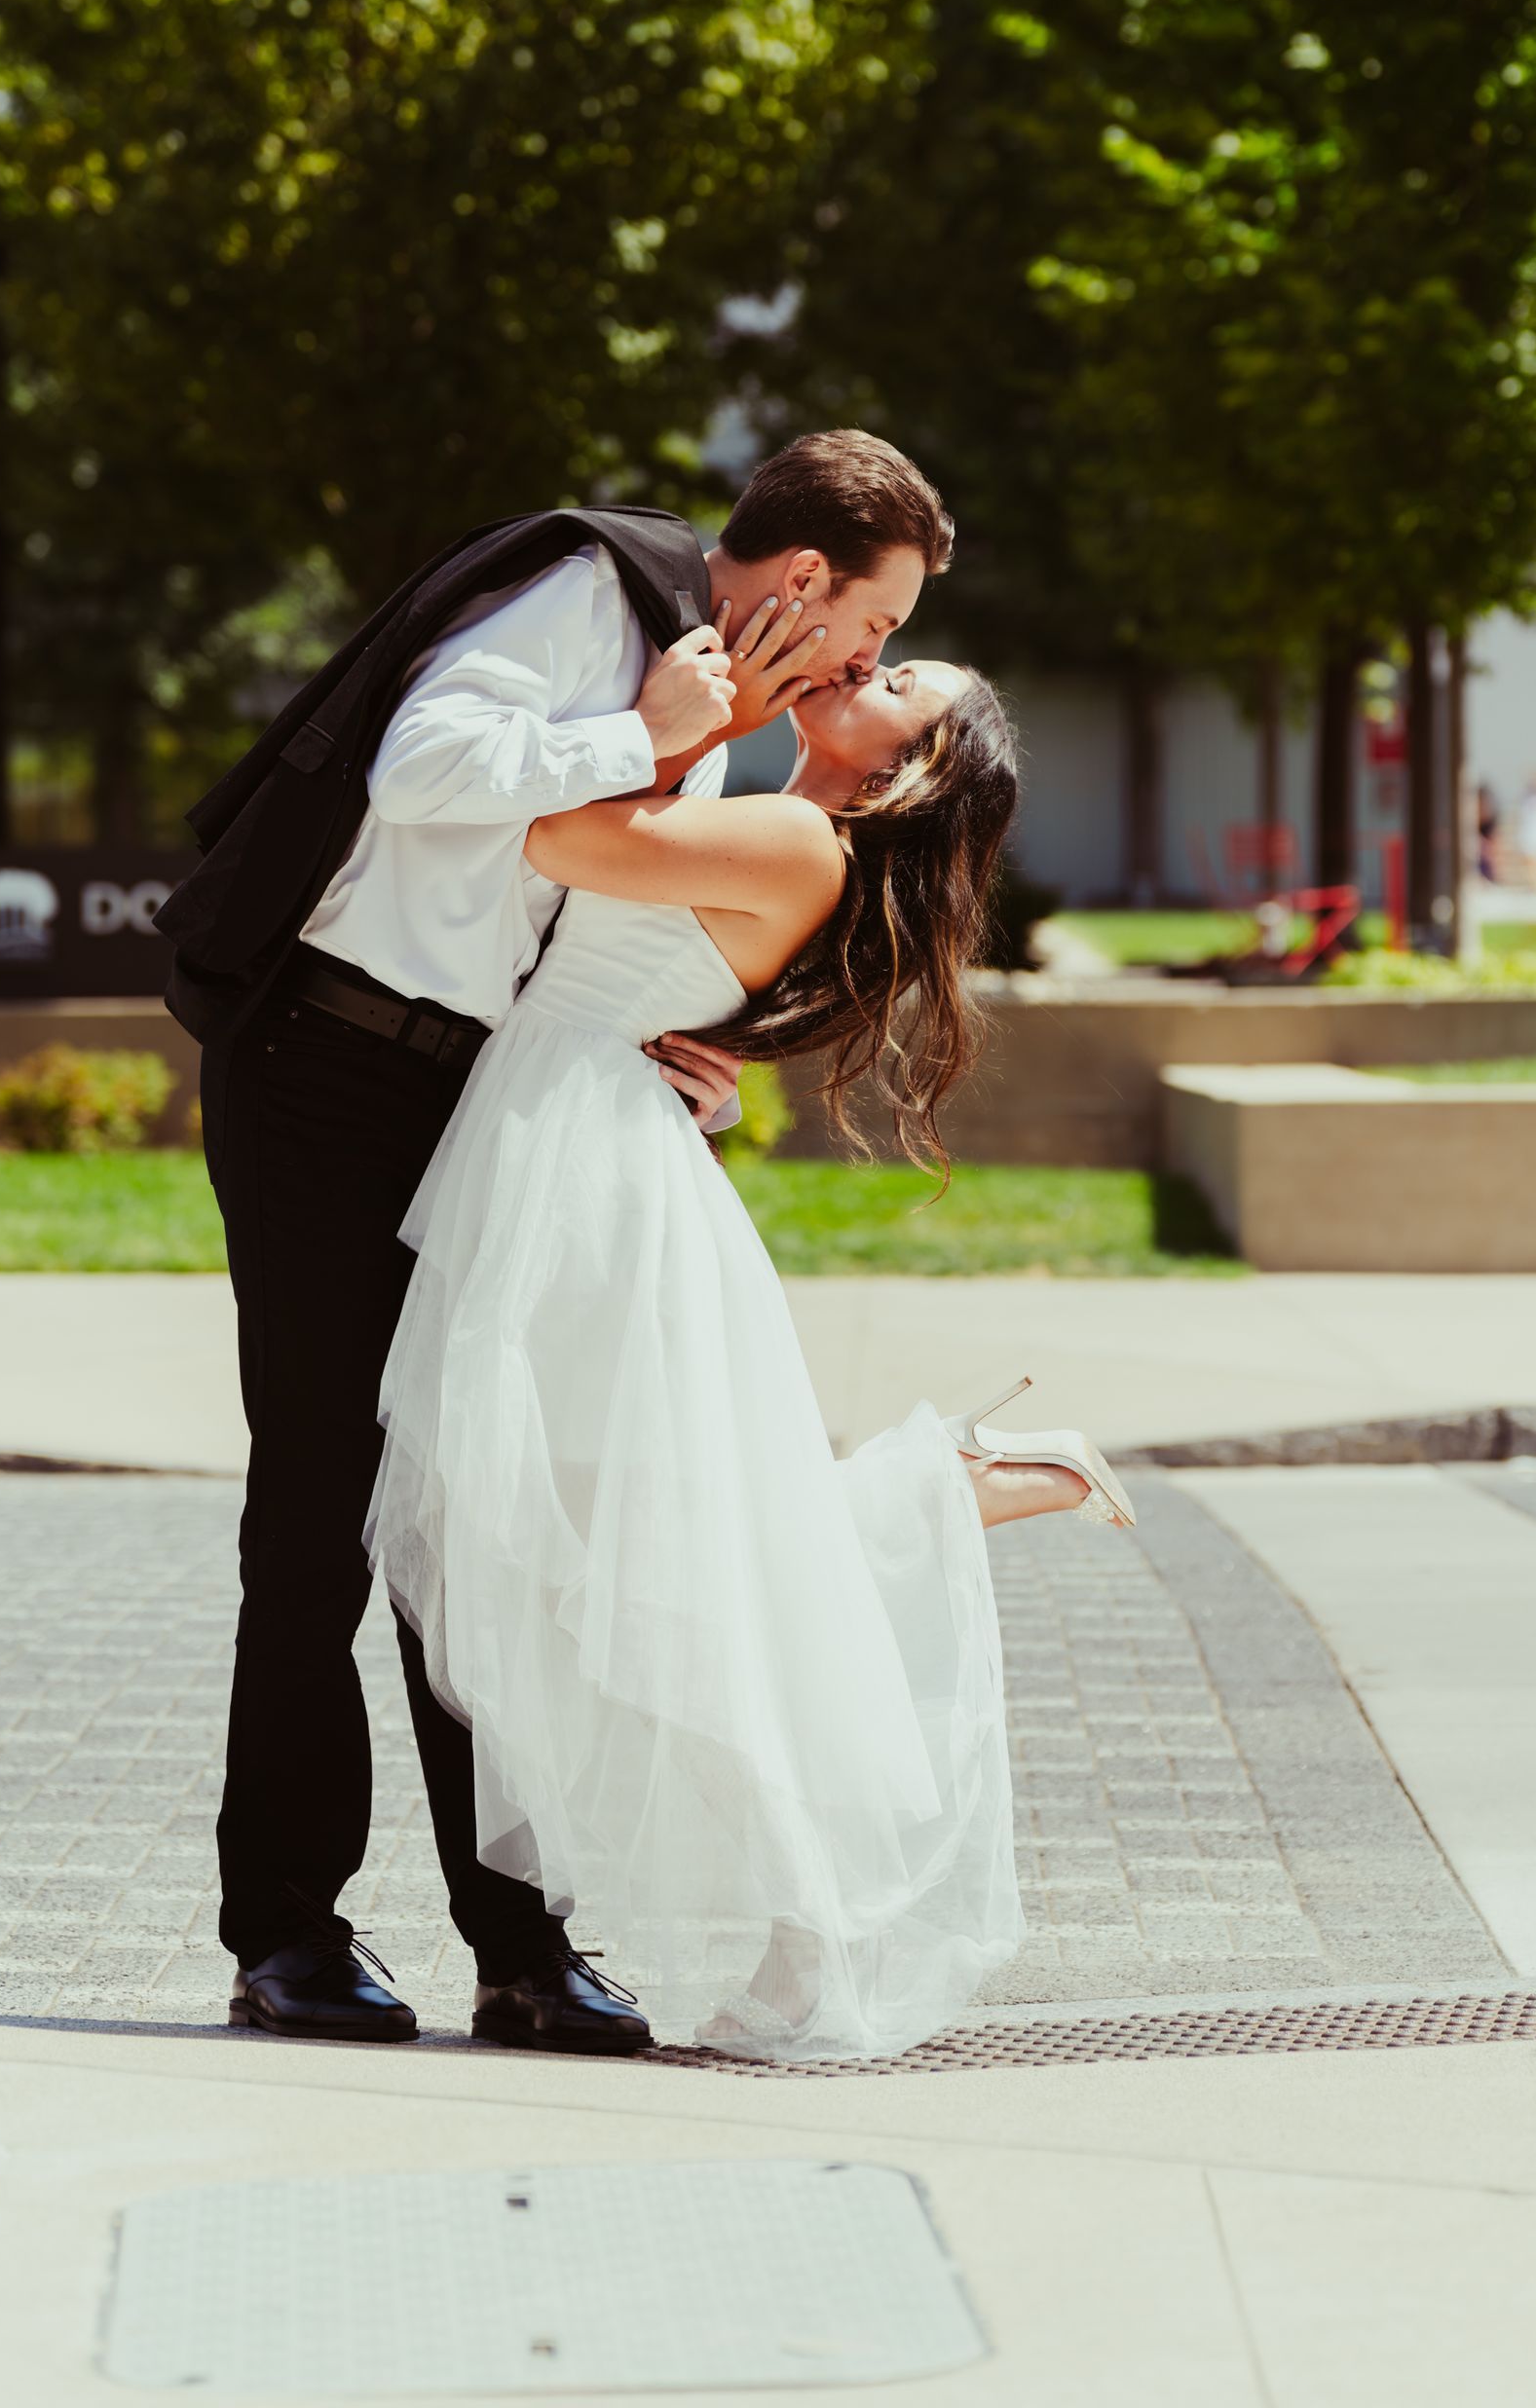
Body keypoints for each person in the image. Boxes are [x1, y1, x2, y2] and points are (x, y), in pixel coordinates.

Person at [185, 431, 963, 2051]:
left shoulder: (732, 708)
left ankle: (520, 1952)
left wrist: (688, 1061)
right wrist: (646, 726)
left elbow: (623, 926)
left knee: (481, 1519)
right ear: (806, 579)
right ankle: (286, 1932)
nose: (864, 660)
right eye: (871, 629)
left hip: (479, 1105)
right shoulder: (586, 600)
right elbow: (422, 773)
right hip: (326, 1064)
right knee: (322, 1514)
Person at [366, 620, 1132, 2063]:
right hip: (573, 1142)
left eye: (900, 685)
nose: (871, 666)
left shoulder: (790, 835)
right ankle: (956, 1482)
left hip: (580, 1174)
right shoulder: (769, 817)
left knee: (658, 1574)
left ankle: (818, 1912)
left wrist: (660, 719)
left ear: (918, 767)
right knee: (650, 1560)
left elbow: (557, 845)